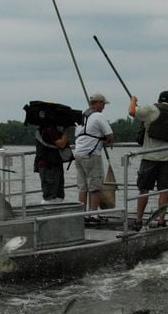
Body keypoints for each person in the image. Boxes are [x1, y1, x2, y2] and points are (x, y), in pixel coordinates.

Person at [128, 90, 168, 230]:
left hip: (149, 157)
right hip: (167, 158)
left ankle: (138, 220)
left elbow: (132, 112)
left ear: (158, 98)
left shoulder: (151, 109)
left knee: (144, 189)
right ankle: (161, 221)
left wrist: (133, 100)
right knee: (164, 190)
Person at [73, 93, 114, 221]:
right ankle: (93, 214)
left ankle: (82, 215)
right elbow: (110, 136)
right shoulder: (98, 116)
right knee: (95, 186)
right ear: (98, 103)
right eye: (103, 104)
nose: (104, 107)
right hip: (91, 155)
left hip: (78, 154)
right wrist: (107, 141)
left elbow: (78, 134)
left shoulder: (82, 117)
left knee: (82, 187)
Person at [34, 123, 71, 203]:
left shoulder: (41, 129)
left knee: (58, 196)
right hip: (49, 166)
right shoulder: (49, 129)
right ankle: (48, 213)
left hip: (52, 165)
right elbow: (62, 144)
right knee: (50, 196)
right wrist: (66, 130)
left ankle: (55, 213)